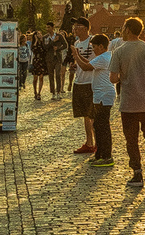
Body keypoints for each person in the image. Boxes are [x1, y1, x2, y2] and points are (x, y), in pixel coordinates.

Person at [109, 16, 145, 186]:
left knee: (131, 139)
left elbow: (113, 78)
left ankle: (137, 172)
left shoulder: (119, 51)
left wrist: (125, 76)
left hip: (129, 102)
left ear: (127, 30)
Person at [75, 33, 116, 167]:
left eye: (94, 47)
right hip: (100, 96)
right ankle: (99, 154)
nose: (93, 50)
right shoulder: (104, 57)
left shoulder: (104, 57)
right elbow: (89, 62)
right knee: (97, 125)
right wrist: (78, 55)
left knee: (102, 127)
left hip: (104, 96)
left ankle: (106, 156)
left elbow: (86, 67)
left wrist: (75, 56)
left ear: (101, 46)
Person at [69, 16, 97, 154]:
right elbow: (80, 63)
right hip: (79, 81)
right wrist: (74, 65)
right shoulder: (77, 42)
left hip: (90, 81)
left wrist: (77, 57)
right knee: (85, 115)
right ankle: (89, 142)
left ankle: (94, 143)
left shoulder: (93, 43)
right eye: (74, 27)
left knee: (91, 115)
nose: (74, 29)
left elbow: (92, 64)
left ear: (86, 28)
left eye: (77, 27)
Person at [48, 28, 67, 98]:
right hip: (50, 59)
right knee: (51, 76)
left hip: (58, 58)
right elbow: (46, 47)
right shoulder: (47, 37)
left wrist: (58, 48)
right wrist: (53, 41)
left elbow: (65, 45)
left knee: (58, 75)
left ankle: (58, 92)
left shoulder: (60, 36)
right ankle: (53, 92)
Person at [30, 31, 50, 100]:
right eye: (38, 34)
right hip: (36, 61)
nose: (40, 35)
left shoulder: (43, 42)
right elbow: (33, 49)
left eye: (40, 33)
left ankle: (39, 93)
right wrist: (35, 40)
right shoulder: (34, 43)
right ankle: (35, 92)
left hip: (42, 61)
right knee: (35, 78)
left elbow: (46, 50)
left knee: (41, 77)